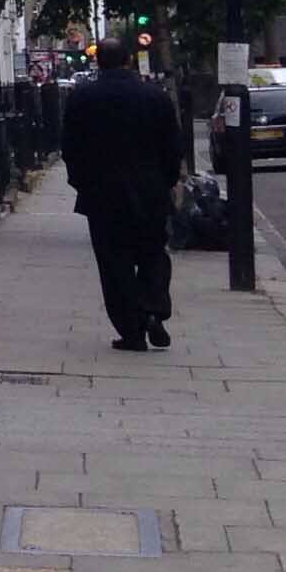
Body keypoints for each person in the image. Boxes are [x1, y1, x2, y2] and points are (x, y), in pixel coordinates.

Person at [59, 36, 182, 351]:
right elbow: (172, 147)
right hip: (151, 190)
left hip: (103, 194)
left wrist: (81, 183)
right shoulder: (156, 97)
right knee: (154, 253)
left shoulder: (83, 98)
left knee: (115, 264)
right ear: (128, 60)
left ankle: (132, 331)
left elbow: (70, 147)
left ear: (98, 61)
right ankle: (154, 308)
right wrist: (166, 181)